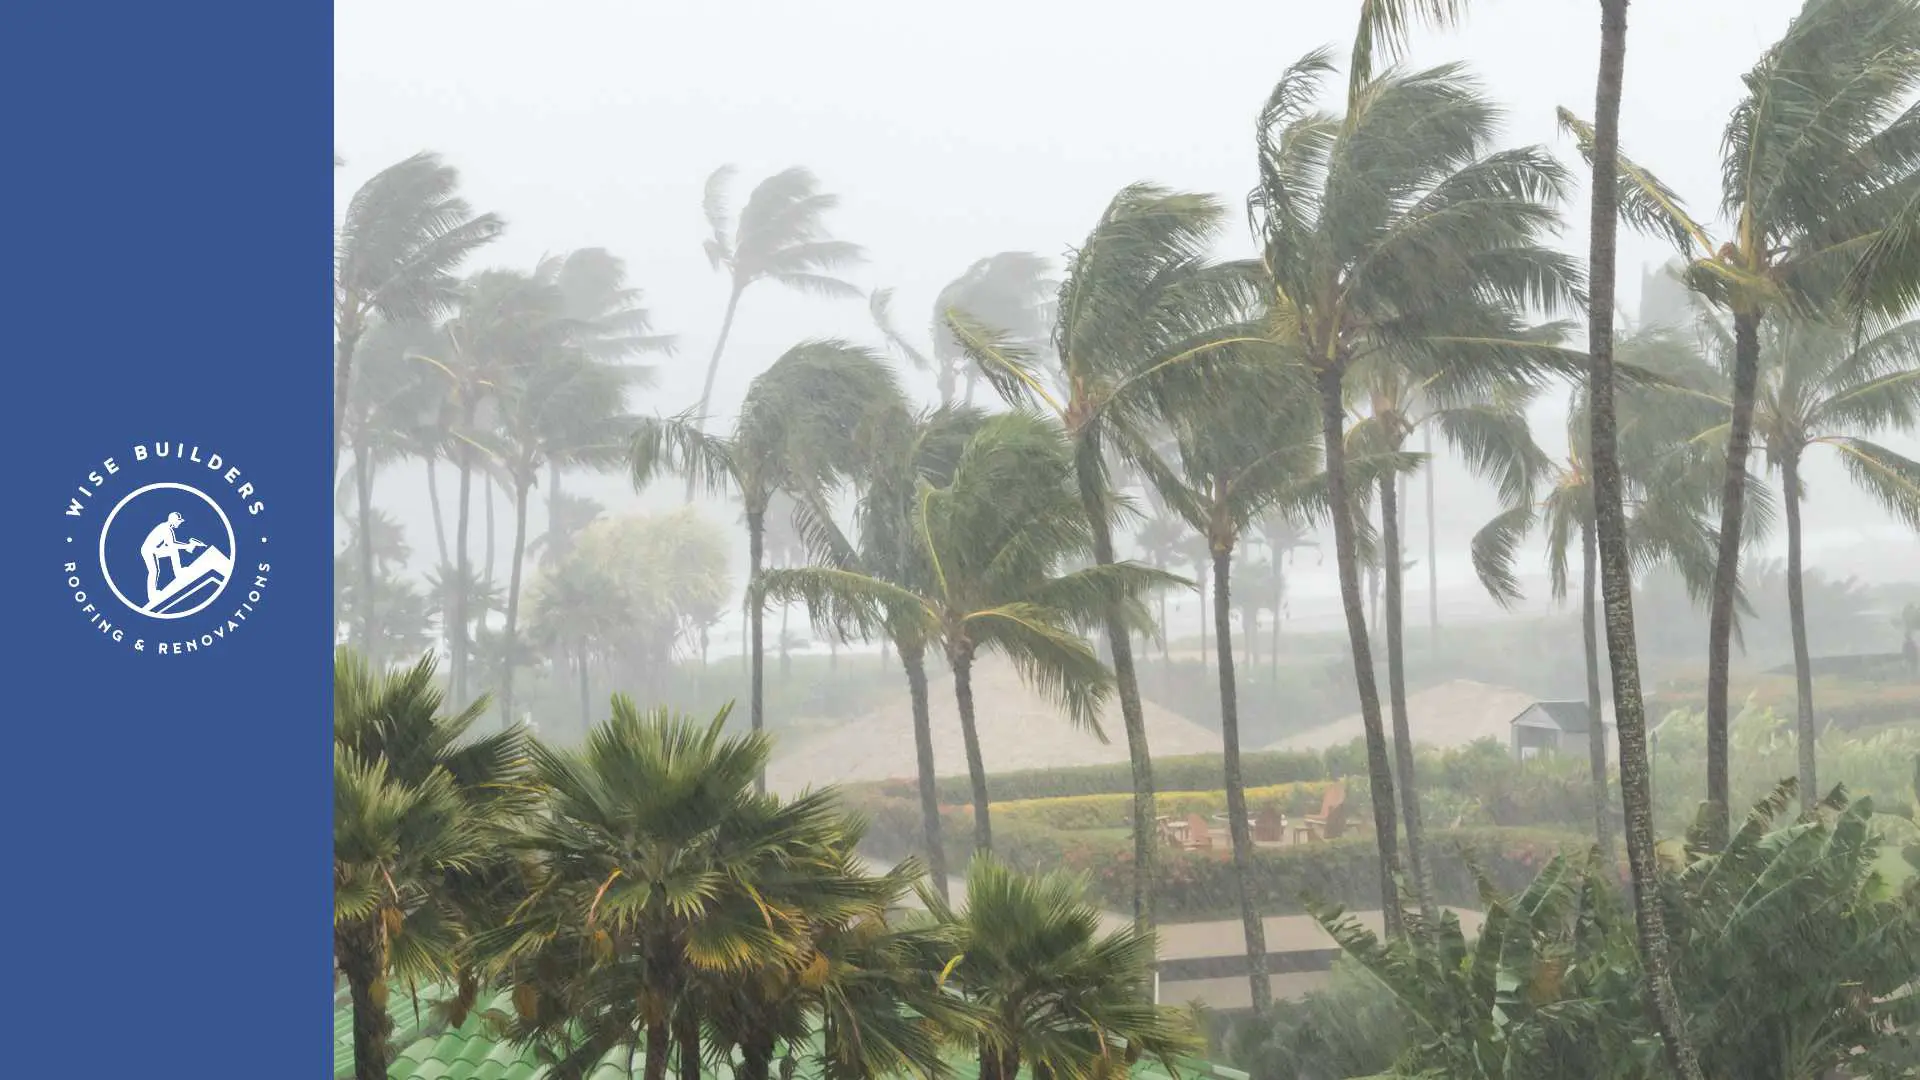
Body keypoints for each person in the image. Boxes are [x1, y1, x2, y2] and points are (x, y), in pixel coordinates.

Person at [140, 512, 204, 604]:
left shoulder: (167, 528)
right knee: (154, 571)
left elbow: (171, 545)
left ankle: (179, 572)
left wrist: (187, 546)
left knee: (172, 551)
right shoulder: (165, 528)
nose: (180, 523)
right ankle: (152, 595)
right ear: (173, 520)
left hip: (155, 549)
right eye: (178, 521)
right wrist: (188, 546)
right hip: (149, 550)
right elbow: (172, 544)